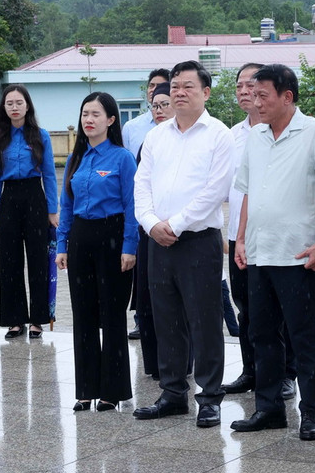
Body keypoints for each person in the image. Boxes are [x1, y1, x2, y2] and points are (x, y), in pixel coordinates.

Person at [229, 64, 315, 441]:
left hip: (297, 254)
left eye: (263, 95)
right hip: (259, 252)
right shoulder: (256, 136)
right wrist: (241, 239)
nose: (256, 102)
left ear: (287, 97)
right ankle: (268, 409)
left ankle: (311, 412)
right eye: (253, 94)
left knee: (303, 336)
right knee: (262, 334)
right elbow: (248, 192)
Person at [133, 59, 233, 428]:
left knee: (205, 321)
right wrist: (151, 223)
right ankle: (172, 393)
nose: (178, 92)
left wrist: (173, 224)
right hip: (158, 241)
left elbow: (215, 191)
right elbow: (141, 185)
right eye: (174, 86)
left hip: (198, 241)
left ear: (206, 92)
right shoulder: (157, 136)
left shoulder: (219, 135)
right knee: (166, 319)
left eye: (187, 86)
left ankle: (209, 397)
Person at [56, 92, 138, 412]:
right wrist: (61, 245)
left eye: (96, 114)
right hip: (80, 238)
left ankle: (112, 390)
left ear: (111, 120)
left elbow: (132, 206)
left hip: (112, 238)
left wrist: (129, 247)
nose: (88, 120)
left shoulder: (122, 158)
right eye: (85, 114)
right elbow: (67, 205)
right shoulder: (76, 159)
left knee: (112, 315)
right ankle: (86, 389)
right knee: (84, 315)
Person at [222, 62, 298, 400]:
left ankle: (286, 373)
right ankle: (251, 369)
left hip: (276, 235)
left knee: (279, 309)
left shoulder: (289, 131)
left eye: (251, 85)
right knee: (246, 307)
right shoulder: (232, 135)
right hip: (239, 236)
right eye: (239, 86)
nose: (244, 91)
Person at [0, 84, 58, 339]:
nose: (14, 107)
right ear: (3, 108)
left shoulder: (40, 136)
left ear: (27, 106)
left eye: (19, 102)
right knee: (9, 260)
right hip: (8, 199)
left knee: (38, 259)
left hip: (34, 197)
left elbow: (49, 175)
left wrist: (52, 210)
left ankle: (38, 319)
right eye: (9, 103)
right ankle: (15, 320)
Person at [131, 82, 173, 377]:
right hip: (147, 231)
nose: (159, 110)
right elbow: (140, 188)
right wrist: (148, 221)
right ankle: (153, 364)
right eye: (155, 106)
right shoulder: (149, 142)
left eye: (164, 104)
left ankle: (178, 363)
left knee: (175, 303)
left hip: (178, 231)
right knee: (147, 299)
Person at [122, 69, 170, 158]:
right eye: (151, 86)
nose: (153, 90)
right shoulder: (131, 127)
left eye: (159, 86)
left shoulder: (181, 126)